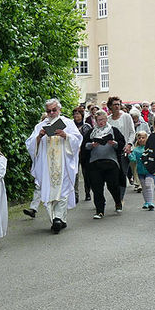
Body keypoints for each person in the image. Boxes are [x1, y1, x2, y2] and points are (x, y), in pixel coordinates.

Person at [26, 99, 82, 233]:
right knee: (48, 192)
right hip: (46, 167)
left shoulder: (67, 123)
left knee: (62, 191)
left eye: (54, 110)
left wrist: (66, 136)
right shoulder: (40, 126)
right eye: (48, 111)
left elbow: (78, 139)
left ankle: (58, 218)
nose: (51, 113)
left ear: (59, 110)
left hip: (62, 164)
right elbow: (30, 144)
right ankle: (57, 219)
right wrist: (39, 137)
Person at [84, 110, 126, 219]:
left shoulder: (113, 130)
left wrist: (114, 143)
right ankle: (99, 210)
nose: (101, 122)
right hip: (95, 163)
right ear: (95, 121)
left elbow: (121, 143)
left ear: (106, 119)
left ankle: (118, 201)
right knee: (97, 188)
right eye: (99, 120)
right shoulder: (91, 132)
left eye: (103, 119)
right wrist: (92, 145)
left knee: (113, 185)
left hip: (111, 162)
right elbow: (84, 145)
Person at [106, 96, 135, 198]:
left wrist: (129, 144)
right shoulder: (108, 120)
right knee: (111, 176)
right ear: (110, 106)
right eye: (114, 104)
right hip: (111, 151)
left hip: (123, 151)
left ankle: (120, 198)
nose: (117, 106)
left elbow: (132, 132)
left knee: (122, 174)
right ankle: (115, 195)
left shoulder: (126, 117)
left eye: (118, 104)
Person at [129, 131, 155, 211]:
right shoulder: (136, 150)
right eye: (139, 138)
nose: (141, 139)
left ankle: (150, 202)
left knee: (148, 184)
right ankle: (146, 202)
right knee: (144, 186)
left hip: (149, 171)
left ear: (147, 138)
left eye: (143, 138)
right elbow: (133, 159)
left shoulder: (150, 148)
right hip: (140, 171)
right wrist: (130, 155)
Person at [72, 106, 92, 203]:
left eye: (78, 114)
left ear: (82, 115)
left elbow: (89, 139)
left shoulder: (86, 126)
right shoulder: (70, 126)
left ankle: (87, 192)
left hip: (85, 153)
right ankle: (75, 195)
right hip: (73, 153)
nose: (76, 116)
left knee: (86, 174)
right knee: (74, 174)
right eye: (75, 114)